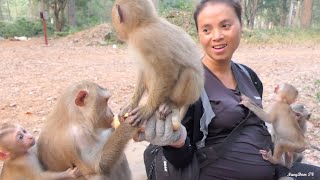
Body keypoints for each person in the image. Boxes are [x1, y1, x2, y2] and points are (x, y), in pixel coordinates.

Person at [125, 0, 320, 179]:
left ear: (240, 26)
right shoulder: (189, 84)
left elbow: (259, 128)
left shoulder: (250, 76)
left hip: (272, 170)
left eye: (225, 26)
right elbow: (180, 160)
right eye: (206, 30)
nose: (216, 36)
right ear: (199, 34)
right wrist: (174, 141)